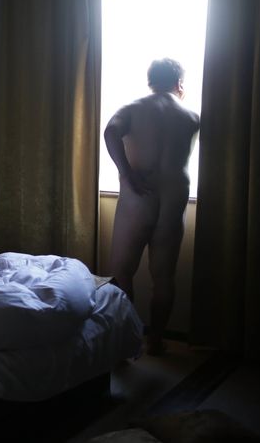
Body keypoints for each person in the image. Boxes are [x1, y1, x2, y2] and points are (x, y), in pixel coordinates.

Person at [103, 58, 200, 356]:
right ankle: (155, 340)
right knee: (164, 277)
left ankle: (123, 344)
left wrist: (126, 173)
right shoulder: (192, 116)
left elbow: (110, 131)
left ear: (150, 81)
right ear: (179, 84)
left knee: (122, 273)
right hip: (173, 199)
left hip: (138, 197)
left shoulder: (134, 107)